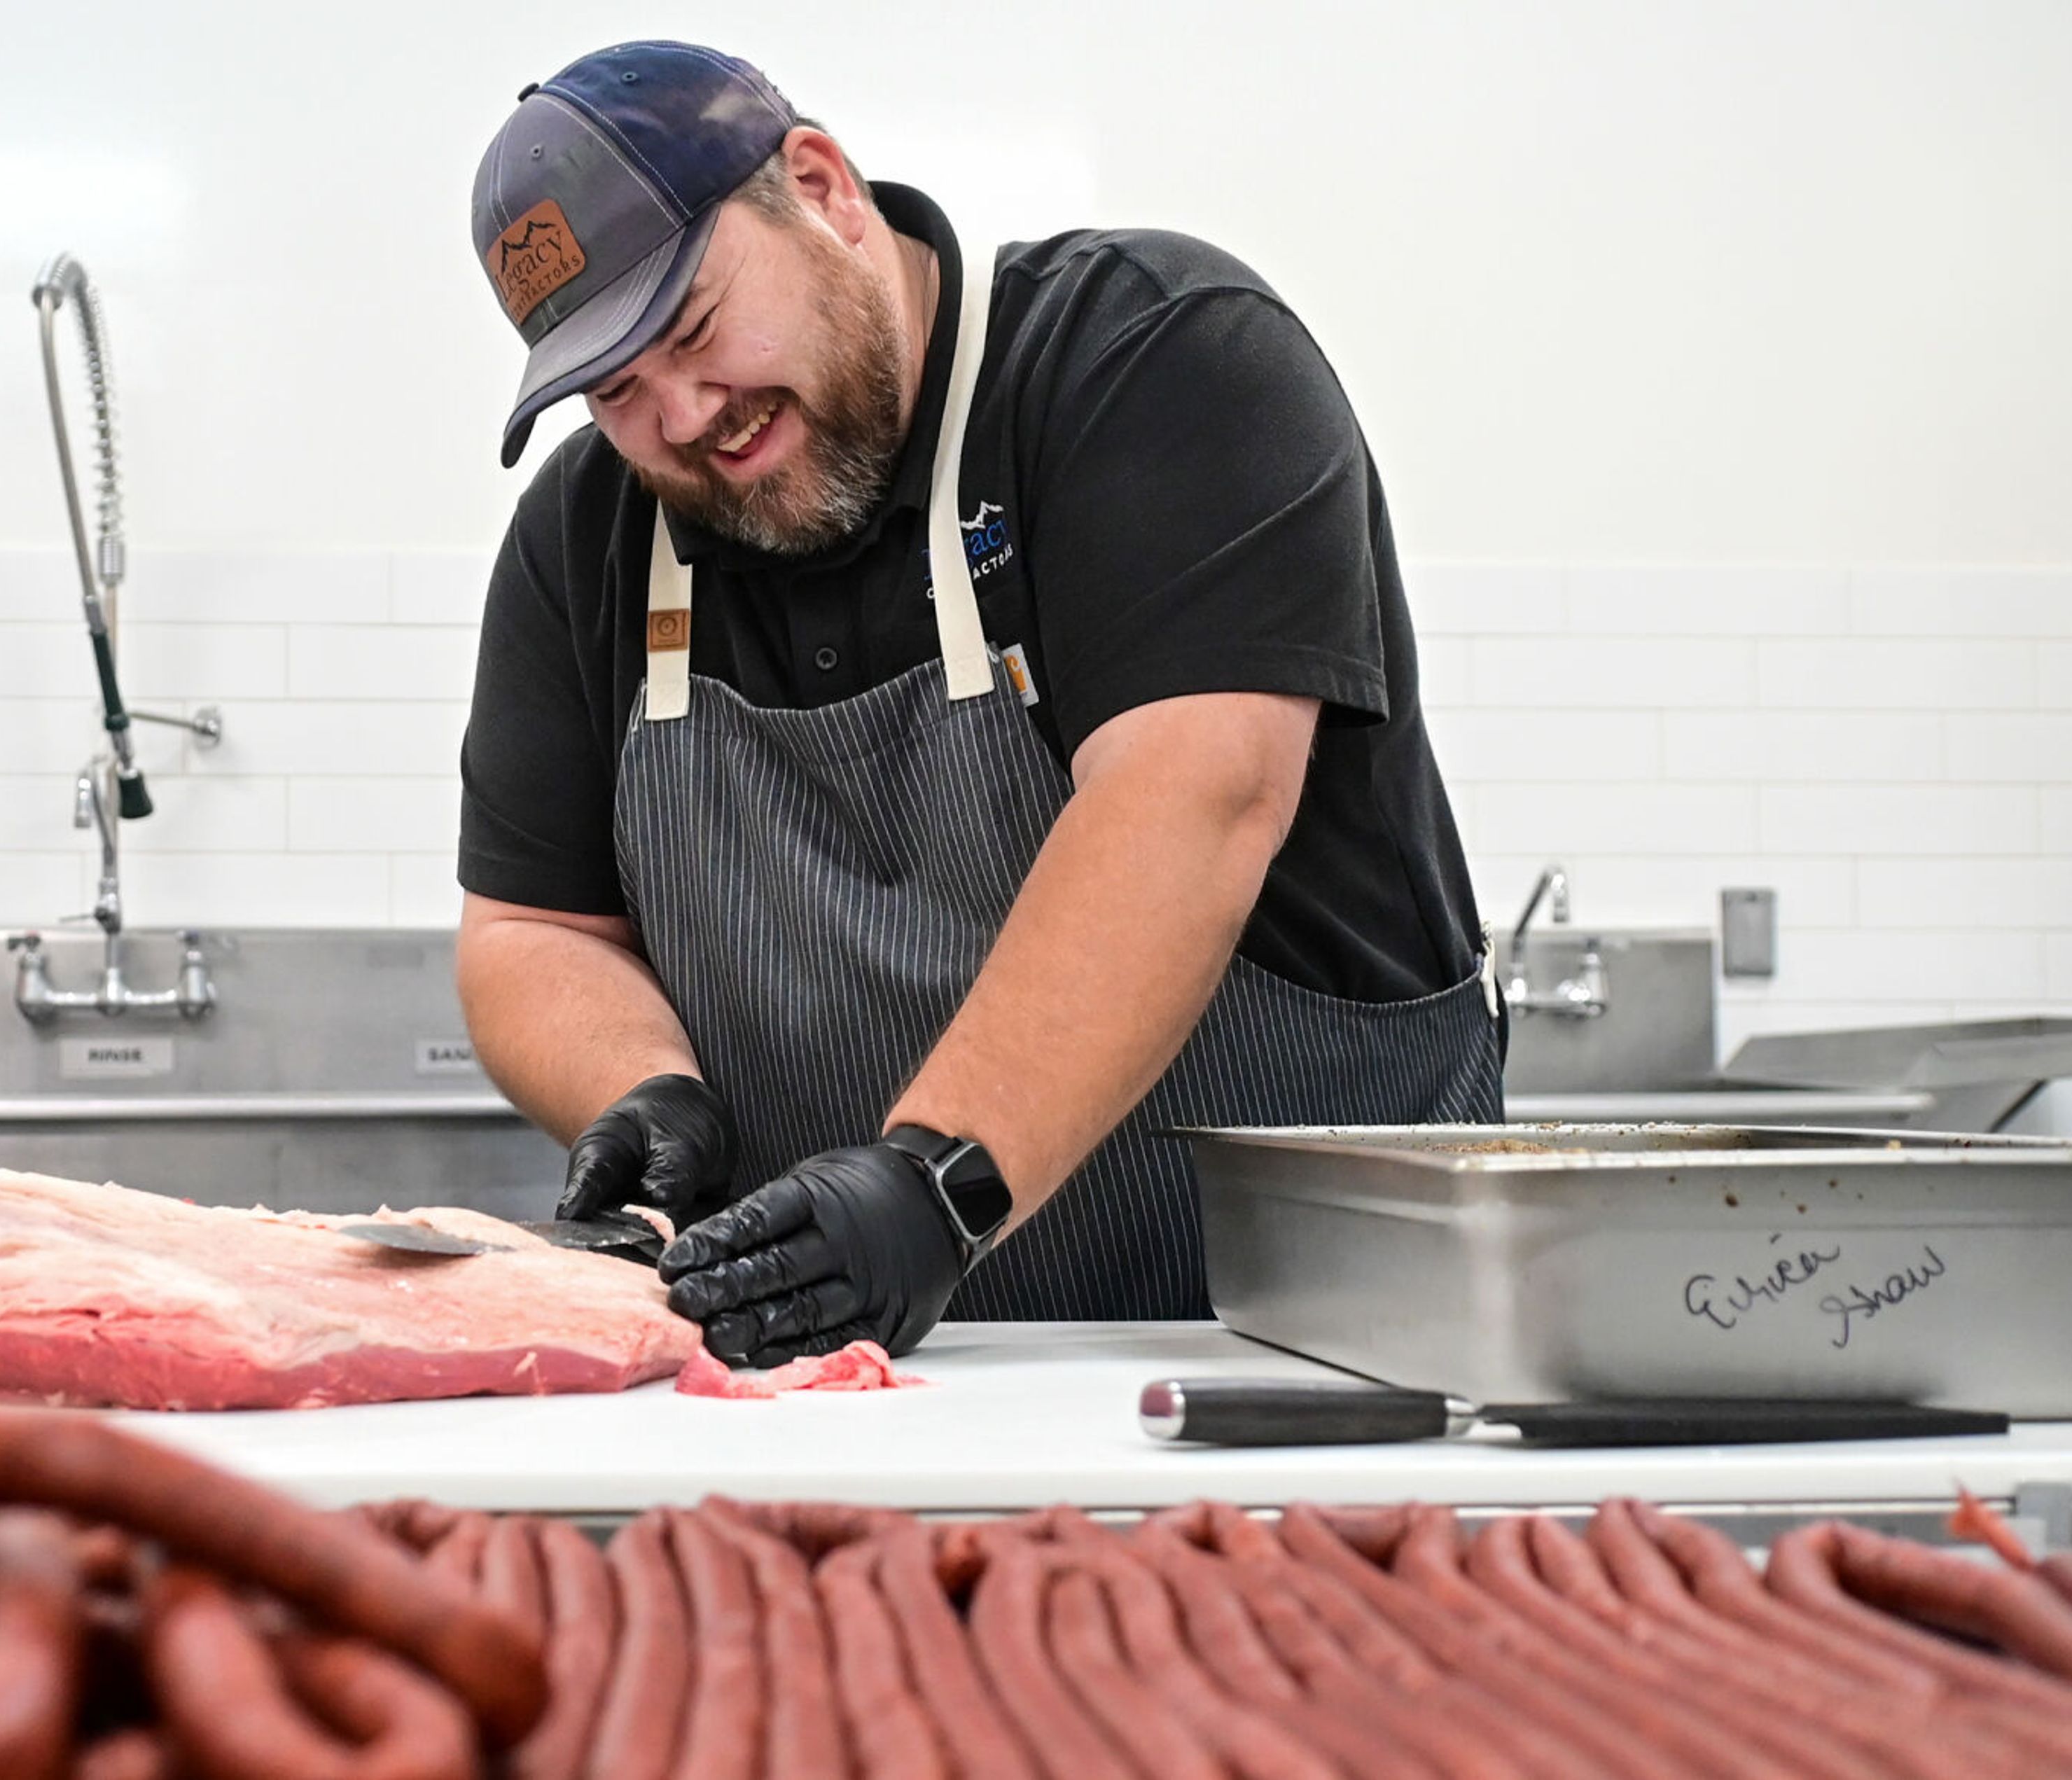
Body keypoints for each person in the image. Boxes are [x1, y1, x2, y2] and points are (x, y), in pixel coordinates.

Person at [457, 41, 1503, 1367]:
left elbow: (1196, 799)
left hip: (1309, 1363)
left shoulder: (1159, 361)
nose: (685, 413)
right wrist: (644, 1089)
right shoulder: (585, 543)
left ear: (824, 190)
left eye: (696, 326)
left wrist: (936, 1184)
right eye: (615, 389)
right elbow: (529, 929)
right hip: (880, 1396)